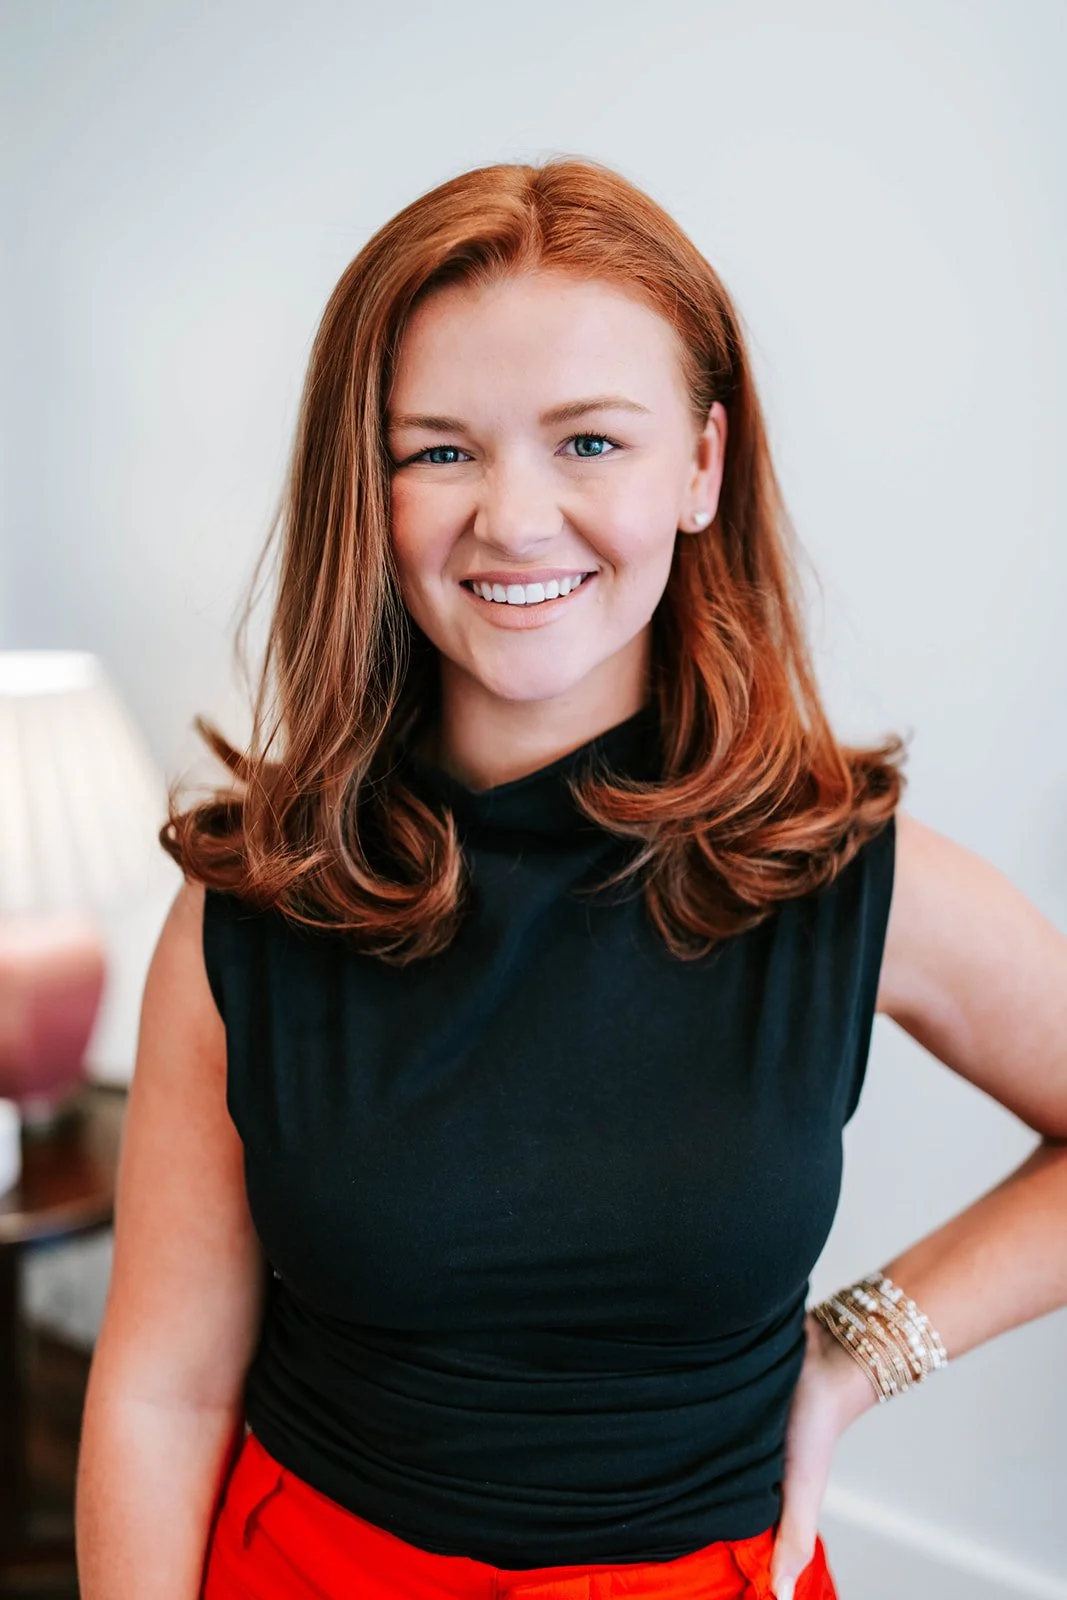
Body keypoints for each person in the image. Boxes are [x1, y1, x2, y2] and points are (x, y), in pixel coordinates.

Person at [75, 157, 1067, 1600]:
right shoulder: (253, 904)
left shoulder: (846, 876)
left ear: (702, 466)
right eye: (439, 452)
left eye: (589, 441)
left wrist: (860, 1352)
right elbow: (161, 1391)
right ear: (367, 486)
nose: (515, 519)